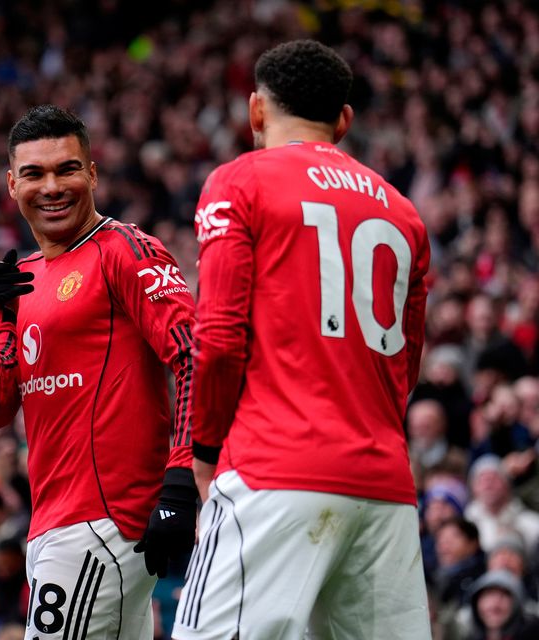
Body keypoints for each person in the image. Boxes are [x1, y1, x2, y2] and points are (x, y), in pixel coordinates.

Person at [174, 40, 431, 639]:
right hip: (384, 486)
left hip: (273, 468)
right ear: (344, 120)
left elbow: (217, 336)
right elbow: (405, 361)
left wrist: (204, 453)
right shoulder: (404, 212)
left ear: (256, 112)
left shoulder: (240, 181)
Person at [0, 104, 197, 640]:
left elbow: (192, 353)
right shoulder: (20, 279)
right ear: (11, 184)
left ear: (92, 173)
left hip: (104, 524)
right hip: (56, 522)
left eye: (67, 169)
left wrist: (182, 477)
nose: (52, 186)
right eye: (34, 174)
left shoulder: (124, 249)